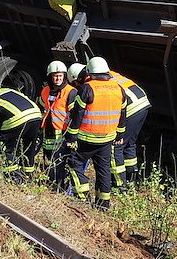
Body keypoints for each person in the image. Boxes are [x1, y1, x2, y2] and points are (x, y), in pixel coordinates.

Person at [64, 56, 126, 210]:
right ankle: (103, 205)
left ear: (89, 72)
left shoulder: (87, 88)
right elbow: (123, 113)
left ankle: (82, 199)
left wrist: (71, 136)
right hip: (107, 139)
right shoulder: (118, 88)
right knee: (104, 171)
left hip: (87, 139)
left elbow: (78, 113)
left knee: (74, 164)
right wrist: (120, 134)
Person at [0, 84, 42, 183]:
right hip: (36, 115)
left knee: (5, 147)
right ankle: (28, 175)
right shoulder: (7, 90)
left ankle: (13, 176)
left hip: (17, 119)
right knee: (29, 148)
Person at [38, 60, 77, 190]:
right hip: (48, 129)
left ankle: (60, 184)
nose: (58, 79)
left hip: (62, 131)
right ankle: (52, 179)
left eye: (60, 76)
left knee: (60, 159)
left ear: (64, 76)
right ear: (50, 77)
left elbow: (74, 115)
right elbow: (42, 105)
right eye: (55, 76)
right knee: (49, 156)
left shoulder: (71, 92)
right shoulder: (45, 90)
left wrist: (72, 134)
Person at [110, 70, 151, 191]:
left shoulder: (94, 82)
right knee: (129, 144)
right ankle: (131, 179)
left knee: (116, 146)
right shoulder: (110, 73)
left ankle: (119, 185)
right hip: (143, 103)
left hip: (131, 108)